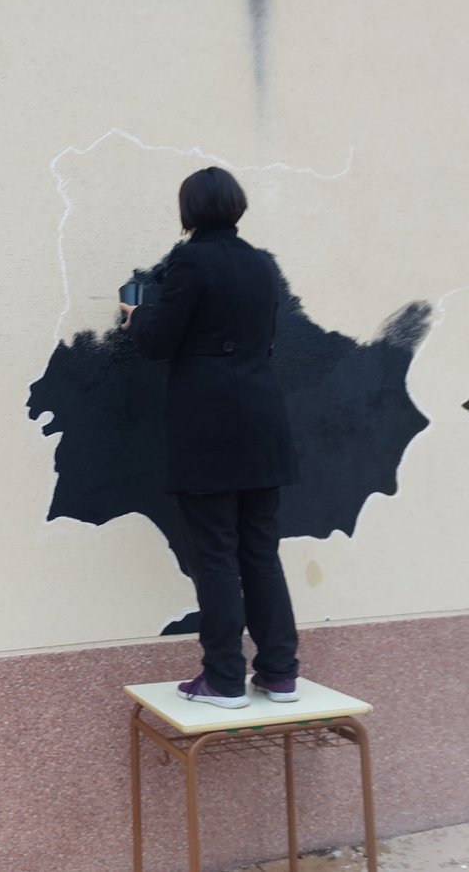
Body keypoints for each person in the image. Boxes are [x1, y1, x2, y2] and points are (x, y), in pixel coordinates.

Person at [120, 167, 300, 709]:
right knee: (261, 552)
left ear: (189, 210)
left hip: (209, 425)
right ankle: (280, 673)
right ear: (237, 206)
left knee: (216, 554)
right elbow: (260, 339)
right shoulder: (263, 264)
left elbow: (160, 342)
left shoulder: (191, 260)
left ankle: (223, 680)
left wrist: (137, 316)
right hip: (263, 422)